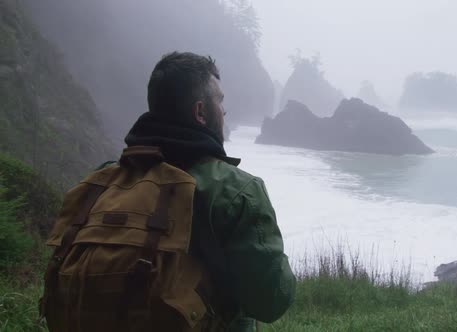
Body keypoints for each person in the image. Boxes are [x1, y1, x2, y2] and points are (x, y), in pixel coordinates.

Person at [41, 52, 296, 331]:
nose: (224, 111)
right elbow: (271, 301)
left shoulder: (100, 180)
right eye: (220, 102)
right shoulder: (236, 190)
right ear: (200, 112)